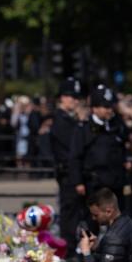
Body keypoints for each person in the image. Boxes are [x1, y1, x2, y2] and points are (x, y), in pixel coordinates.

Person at [69, 84, 131, 229]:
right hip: (94, 183)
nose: (109, 110)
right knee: (92, 222)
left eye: (111, 106)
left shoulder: (117, 125)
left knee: (117, 221)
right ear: (95, 108)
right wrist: (78, 182)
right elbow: (75, 156)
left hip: (115, 181)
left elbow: (124, 146)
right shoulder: (84, 129)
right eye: (105, 107)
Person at [50, 77, 85, 251]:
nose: (75, 101)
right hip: (68, 173)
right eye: (72, 96)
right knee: (69, 212)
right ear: (62, 98)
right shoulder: (61, 120)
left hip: (72, 171)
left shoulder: (67, 119)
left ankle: (72, 245)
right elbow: (72, 146)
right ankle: (69, 247)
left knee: (75, 211)